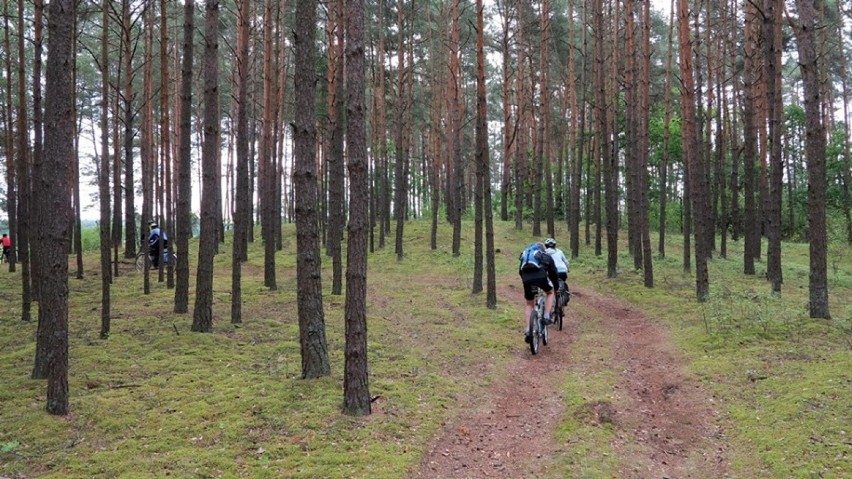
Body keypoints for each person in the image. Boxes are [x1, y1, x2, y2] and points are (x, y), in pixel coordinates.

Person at [518, 241, 559, 343]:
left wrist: (526, 282)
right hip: (541, 277)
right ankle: (546, 316)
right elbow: (553, 273)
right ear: (542, 249)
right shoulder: (544, 255)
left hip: (526, 279)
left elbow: (520, 271)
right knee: (550, 292)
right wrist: (556, 287)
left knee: (529, 304)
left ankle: (528, 329)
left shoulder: (525, 255)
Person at [544, 238, 570, 304]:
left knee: (552, 285)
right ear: (554, 245)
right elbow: (566, 261)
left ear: (546, 245)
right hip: (562, 271)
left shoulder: (544, 252)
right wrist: (568, 269)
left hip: (551, 271)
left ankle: (553, 299)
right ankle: (564, 296)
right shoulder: (559, 251)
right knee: (562, 282)